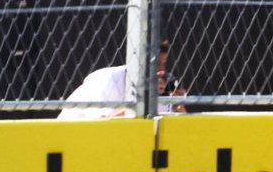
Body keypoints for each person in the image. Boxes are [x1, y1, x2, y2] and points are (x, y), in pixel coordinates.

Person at [57, 38, 186, 120]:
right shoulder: (108, 79)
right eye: (156, 64)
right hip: (72, 143)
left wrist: (177, 105)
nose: (161, 70)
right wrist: (142, 104)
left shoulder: (160, 87)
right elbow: (100, 128)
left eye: (164, 64)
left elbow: (179, 134)